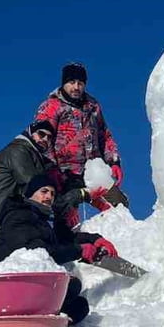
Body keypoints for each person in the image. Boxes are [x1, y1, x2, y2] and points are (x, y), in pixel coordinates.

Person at [0, 120, 107, 275]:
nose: (45, 139)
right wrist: (82, 194)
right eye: (41, 134)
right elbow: (36, 187)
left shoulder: (34, 156)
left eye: (49, 138)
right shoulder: (18, 152)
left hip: (11, 217)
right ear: (30, 132)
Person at [0, 173, 120, 325]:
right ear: (30, 194)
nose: (49, 196)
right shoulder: (19, 216)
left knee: (78, 306)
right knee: (71, 286)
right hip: (13, 288)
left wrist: (94, 239)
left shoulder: (40, 219)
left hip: (32, 289)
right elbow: (38, 252)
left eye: (52, 193)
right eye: (44, 191)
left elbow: (64, 240)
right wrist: (79, 251)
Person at [35, 61, 128, 226]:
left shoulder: (92, 107)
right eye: (72, 82)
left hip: (93, 169)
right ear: (64, 83)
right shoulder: (52, 107)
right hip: (65, 173)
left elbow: (104, 135)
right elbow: (42, 139)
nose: (76, 87)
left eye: (80, 83)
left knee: (119, 205)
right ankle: (75, 247)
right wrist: (50, 168)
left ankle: (117, 239)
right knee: (67, 219)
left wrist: (114, 161)